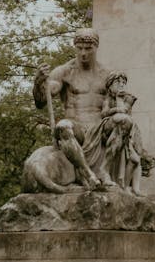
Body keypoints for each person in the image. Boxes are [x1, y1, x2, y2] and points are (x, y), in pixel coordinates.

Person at [33, 29, 122, 187]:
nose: (83, 53)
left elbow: (116, 104)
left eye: (88, 49)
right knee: (62, 126)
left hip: (99, 127)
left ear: (96, 47)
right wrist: (38, 82)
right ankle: (87, 174)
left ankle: (104, 170)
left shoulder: (107, 75)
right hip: (76, 127)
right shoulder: (64, 72)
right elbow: (42, 100)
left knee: (124, 122)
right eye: (79, 48)